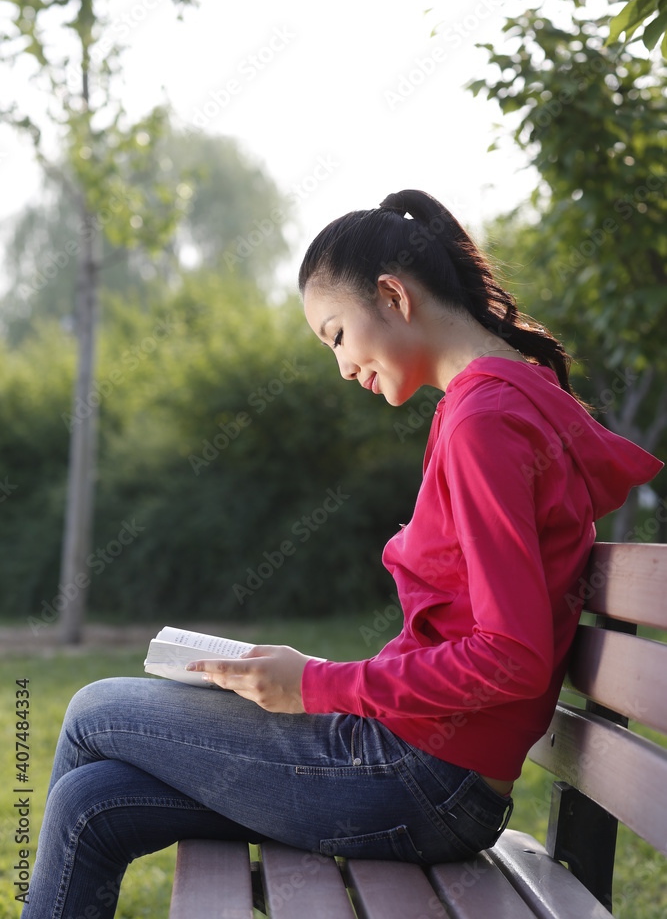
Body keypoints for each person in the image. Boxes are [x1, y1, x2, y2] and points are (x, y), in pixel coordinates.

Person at [23, 189, 662, 918]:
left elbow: (506, 655)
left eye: (334, 334)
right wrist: (309, 677)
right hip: (424, 768)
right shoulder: (499, 399)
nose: (338, 364)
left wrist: (318, 683)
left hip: (420, 781)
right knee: (91, 801)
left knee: (93, 709)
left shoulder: (486, 421)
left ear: (392, 296)